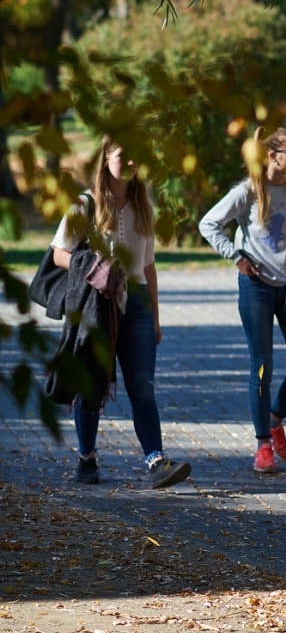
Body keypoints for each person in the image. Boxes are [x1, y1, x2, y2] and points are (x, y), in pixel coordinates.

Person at [51, 137, 192, 489]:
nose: (129, 162)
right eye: (121, 155)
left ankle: (156, 462)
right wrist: (93, 267)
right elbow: (58, 253)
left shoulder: (144, 207)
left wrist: (156, 317)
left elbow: (149, 266)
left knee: (142, 387)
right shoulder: (85, 205)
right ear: (105, 159)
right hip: (98, 304)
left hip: (137, 303)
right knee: (92, 383)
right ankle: (87, 458)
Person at [199, 126, 286, 472]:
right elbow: (209, 224)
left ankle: (275, 420)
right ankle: (263, 445)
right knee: (262, 364)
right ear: (272, 155)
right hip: (257, 289)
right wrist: (236, 255)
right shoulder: (248, 192)